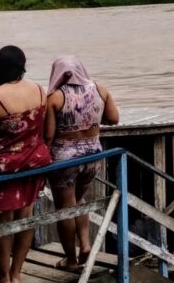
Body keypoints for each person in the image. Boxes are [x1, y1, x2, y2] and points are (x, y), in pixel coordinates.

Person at [0, 46, 52, 283]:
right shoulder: (40, 90)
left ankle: (4, 277)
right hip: (35, 163)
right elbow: (45, 130)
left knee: (0, 224)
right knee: (25, 217)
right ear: (22, 65)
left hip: (3, 168)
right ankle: (17, 274)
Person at [44, 55, 119, 271]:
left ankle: (70, 259)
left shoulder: (55, 98)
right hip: (93, 155)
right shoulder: (100, 90)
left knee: (65, 208)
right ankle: (85, 245)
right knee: (79, 199)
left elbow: (49, 135)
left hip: (65, 159)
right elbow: (114, 118)